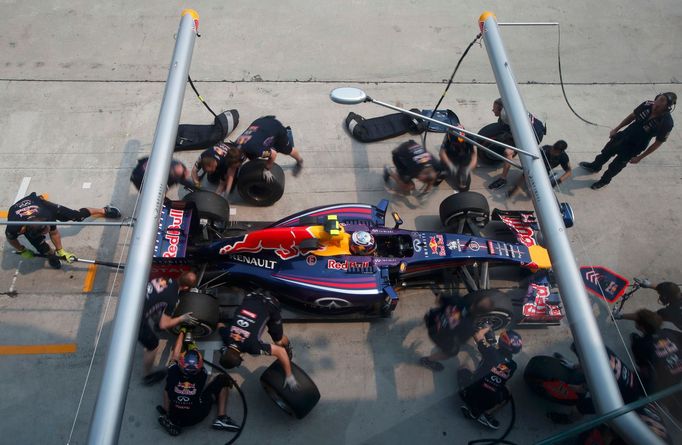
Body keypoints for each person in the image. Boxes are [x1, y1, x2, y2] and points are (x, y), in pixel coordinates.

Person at [580, 93, 676, 190]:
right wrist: (616, 129)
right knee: (606, 152)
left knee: (616, 166)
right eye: (659, 98)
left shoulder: (667, 123)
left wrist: (640, 157)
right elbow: (632, 116)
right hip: (624, 135)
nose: (658, 102)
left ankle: (604, 181)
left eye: (662, 101)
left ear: (668, 106)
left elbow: (658, 143)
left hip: (635, 146)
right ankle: (595, 166)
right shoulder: (647, 104)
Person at [5, 192, 121, 269]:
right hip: (19, 211)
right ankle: (51, 256)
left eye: (47, 229)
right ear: (28, 232)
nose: (48, 231)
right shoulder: (14, 227)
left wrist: (61, 250)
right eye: (44, 232)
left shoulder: (47, 217)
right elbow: (11, 239)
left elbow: (54, 233)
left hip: (39, 203)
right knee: (41, 248)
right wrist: (22, 249)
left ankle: (103, 210)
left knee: (77, 216)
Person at [218, 291, 298, 390]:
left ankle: (288, 347)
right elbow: (220, 325)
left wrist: (289, 375)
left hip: (270, 303)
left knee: (279, 341)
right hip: (251, 296)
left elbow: (280, 351)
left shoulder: (251, 346)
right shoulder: (226, 336)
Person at [158, 339, 240, 436]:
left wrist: (181, 333)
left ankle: (167, 414)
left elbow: (175, 354)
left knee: (168, 387)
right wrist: (193, 346)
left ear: (180, 364)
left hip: (175, 416)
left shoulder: (172, 371)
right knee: (223, 379)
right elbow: (199, 358)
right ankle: (221, 418)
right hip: (196, 416)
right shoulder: (202, 374)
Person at [139, 271, 199, 385]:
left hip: (136, 302)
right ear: (186, 287)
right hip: (137, 320)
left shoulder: (165, 278)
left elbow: (157, 299)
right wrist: (182, 318)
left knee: (158, 309)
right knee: (153, 345)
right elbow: (164, 324)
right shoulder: (172, 298)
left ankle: (155, 324)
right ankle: (147, 375)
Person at [458, 328, 522, 430]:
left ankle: (468, 401)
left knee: (464, 366)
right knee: (507, 389)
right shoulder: (513, 366)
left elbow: (478, 335)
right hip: (486, 403)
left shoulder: (491, 352)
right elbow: (498, 370)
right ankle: (486, 414)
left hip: (468, 393)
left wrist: (487, 326)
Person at [419, 292, 494, 372]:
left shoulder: (457, 299)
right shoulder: (469, 327)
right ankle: (428, 360)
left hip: (432, 319)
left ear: (475, 301)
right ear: (481, 314)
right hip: (437, 335)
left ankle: (427, 320)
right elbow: (459, 341)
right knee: (451, 352)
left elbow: (439, 300)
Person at [627, 309, 682, 418]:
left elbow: (643, 368)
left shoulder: (639, 344)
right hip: (678, 375)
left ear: (641, 327)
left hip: (667, 385)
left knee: (636, 377)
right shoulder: (668, 332)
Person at [487, 97, 546, 190]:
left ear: (501, 109)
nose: (492, 110)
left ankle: (503, 179)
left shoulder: (504, 115)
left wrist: (512, 145)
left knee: (508, 152)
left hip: (534, 136)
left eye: (494, 108)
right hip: (538, 127)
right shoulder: (512, 107)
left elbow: (517, 134)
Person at [235, 116, 304, 178]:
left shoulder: (255, 150)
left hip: (275, 127)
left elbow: (273, 154)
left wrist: (267, 169)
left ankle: (300, 160)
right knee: (253, 155)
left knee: (287, 150)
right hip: (260, 123)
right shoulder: (236, 145)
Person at [507, 140, 571, 198]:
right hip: (535, 167)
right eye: (553, 149)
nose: (552, 152)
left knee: (537, 193)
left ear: (561, 152)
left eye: (555, 152)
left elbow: (569, 172)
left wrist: (558, 181)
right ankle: (515, 188)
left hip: (545, 173)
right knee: (526, 174)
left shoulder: (564, 157)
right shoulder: (545, 148)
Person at [615, 281, 682, 331]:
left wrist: (621, 315)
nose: (660, 296)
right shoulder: (677, 295)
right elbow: (671, 291)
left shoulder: (668, 312)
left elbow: (647, 317)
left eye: (660, 295)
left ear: (664, 297)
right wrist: (649, 285)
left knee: (664, 332)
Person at [439, 126, 477, 191]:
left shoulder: (470, 137)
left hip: (464, 157)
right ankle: (444, 171)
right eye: (456, 143)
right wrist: (450, 165)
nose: (459, 144)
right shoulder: (449, 135)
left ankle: (462, 173)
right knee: (438, 173)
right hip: (451, 155)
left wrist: (468, 169)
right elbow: (442, 152)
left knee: (464, 185)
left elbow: (474, 155)